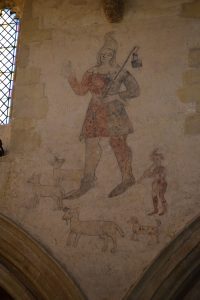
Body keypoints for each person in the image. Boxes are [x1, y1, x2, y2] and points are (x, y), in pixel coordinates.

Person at [64, 32, 140, 199]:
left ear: (113, 55)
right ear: (100, 54)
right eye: (103, 53)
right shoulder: (91, 71)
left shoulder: (119, 71)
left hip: (114, 111)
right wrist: (70, 76)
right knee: (91, 145)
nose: (106, 56)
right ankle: (88, 181)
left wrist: (117, 95)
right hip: (95, 110)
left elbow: (135, 90)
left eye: (109, 54)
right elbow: (80, 91)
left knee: (118, 142)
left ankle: (127, 178)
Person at [137, 149, 168, 216]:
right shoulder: (155, 169)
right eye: (154, 160)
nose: (155, 161)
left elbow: (160, 176)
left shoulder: (162, 168)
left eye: (157, 159)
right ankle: (155, 209)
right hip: (155, 184)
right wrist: (144, 176)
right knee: (154, 196)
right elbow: (151, 175)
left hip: (161, 183)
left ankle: (165, 209)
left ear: (160, 159)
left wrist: (151, 174)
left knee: (161, 196)